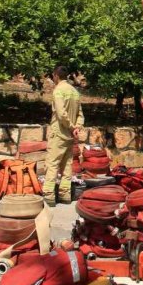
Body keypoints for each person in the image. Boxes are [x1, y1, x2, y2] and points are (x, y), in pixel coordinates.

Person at [43, 66, 85, 207]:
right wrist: (77, 128)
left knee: (52, 163)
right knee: (67, 166)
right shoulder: (74, 91)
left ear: (56, 76)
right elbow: (80, 114)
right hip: (69, 136)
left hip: (59, 133)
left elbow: (61, 114)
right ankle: (65, 195)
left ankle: (49, 196)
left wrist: (72, 127)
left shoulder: (58, 91)